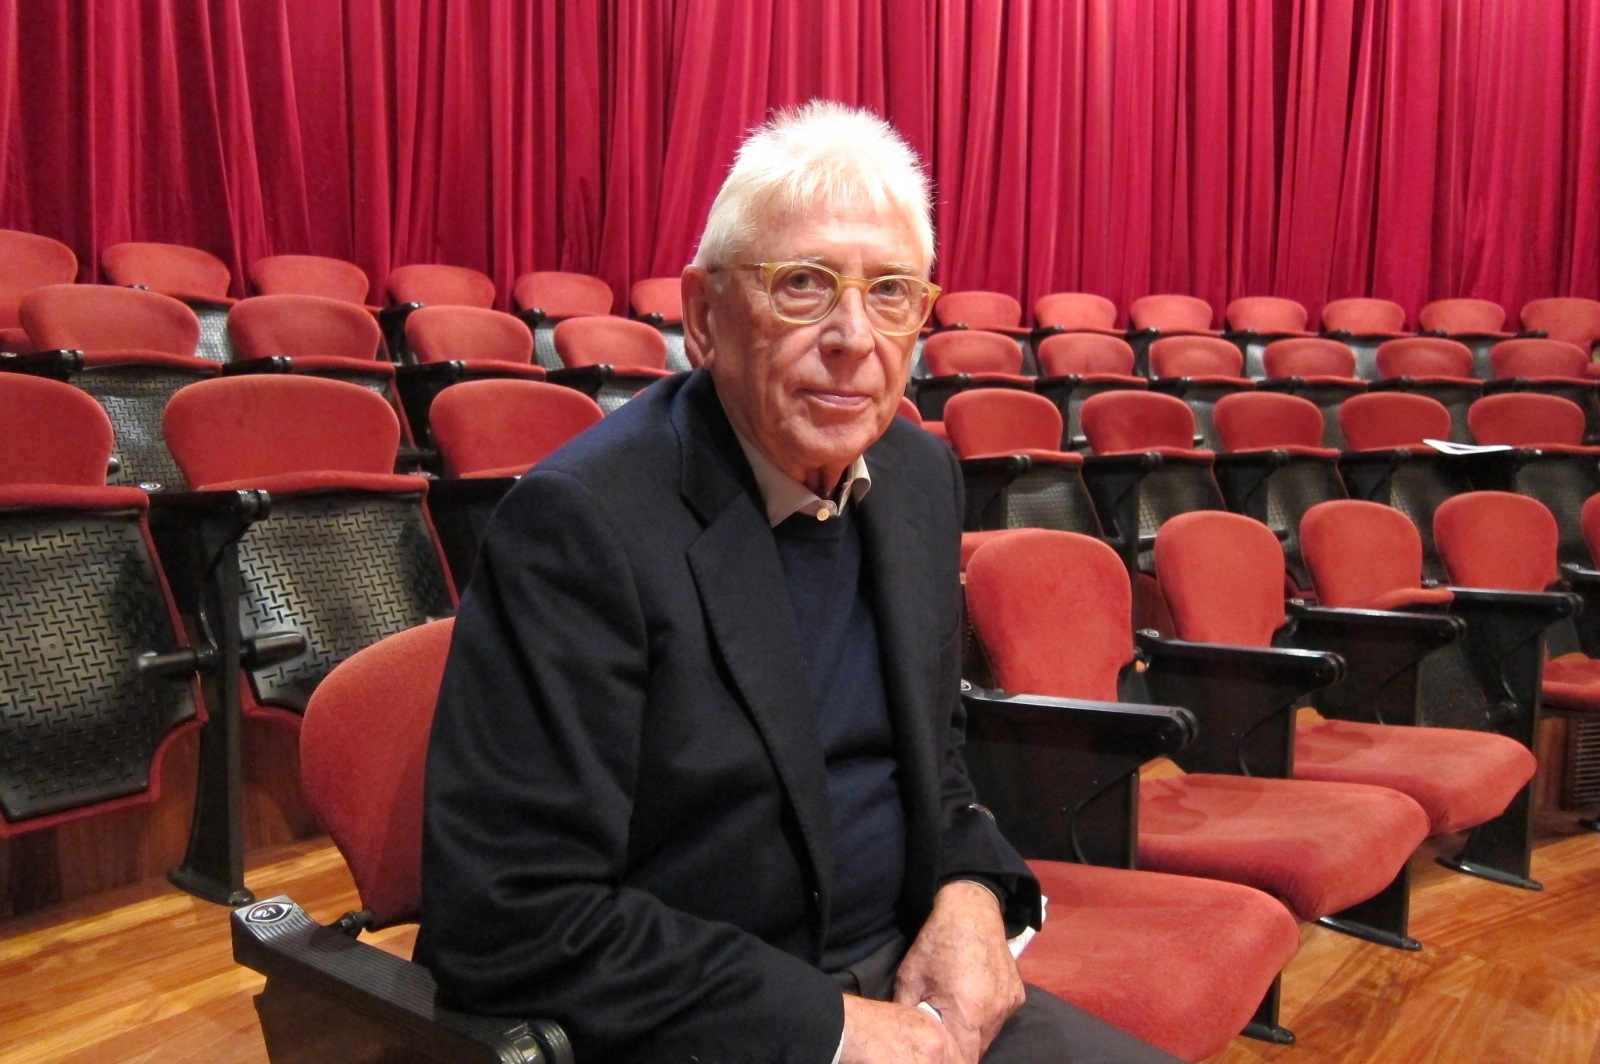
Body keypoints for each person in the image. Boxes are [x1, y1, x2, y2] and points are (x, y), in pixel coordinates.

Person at [417, 100, 1182, 1064]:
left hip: (910, 989)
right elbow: (510, 912)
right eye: (803, 285)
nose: (854, 336)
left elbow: (937, 764)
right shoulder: (581, 527)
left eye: (891, 291)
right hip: (711, 1029)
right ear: (705, 316)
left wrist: (972, 894)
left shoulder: (915, 476)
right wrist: (834, 1030)